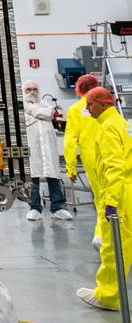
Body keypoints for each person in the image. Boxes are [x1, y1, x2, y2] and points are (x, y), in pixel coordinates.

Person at [76, 85, 132, 311]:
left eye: (90, 104)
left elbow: (114, 168)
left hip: (118, 194)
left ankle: (108, 296)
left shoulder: (108, 128)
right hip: (127, 190)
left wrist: (110, 203)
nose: (87, 108)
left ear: (103, 103)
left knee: (113, 245)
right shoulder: (121, 123)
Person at [23, 80, 71, 221]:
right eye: (28, 89)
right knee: (33, 176)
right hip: (32, 147)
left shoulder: (46, 104)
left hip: (48, 146)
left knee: (53, 175)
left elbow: (49, 113)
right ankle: (35, 207)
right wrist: (39, 114)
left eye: (35, 89)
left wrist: (33, 112)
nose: (32, 92)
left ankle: (57, 208)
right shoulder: (20, 105)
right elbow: (29, 118)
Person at [63, 73, 102, 247]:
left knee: (101, 197)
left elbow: (70, 140)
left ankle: (101, 234)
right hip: (113, 155)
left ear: (79, 89)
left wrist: (70, 167)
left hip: (91, 158)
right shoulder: (105, 106)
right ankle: (106, 232)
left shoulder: (75, 110)